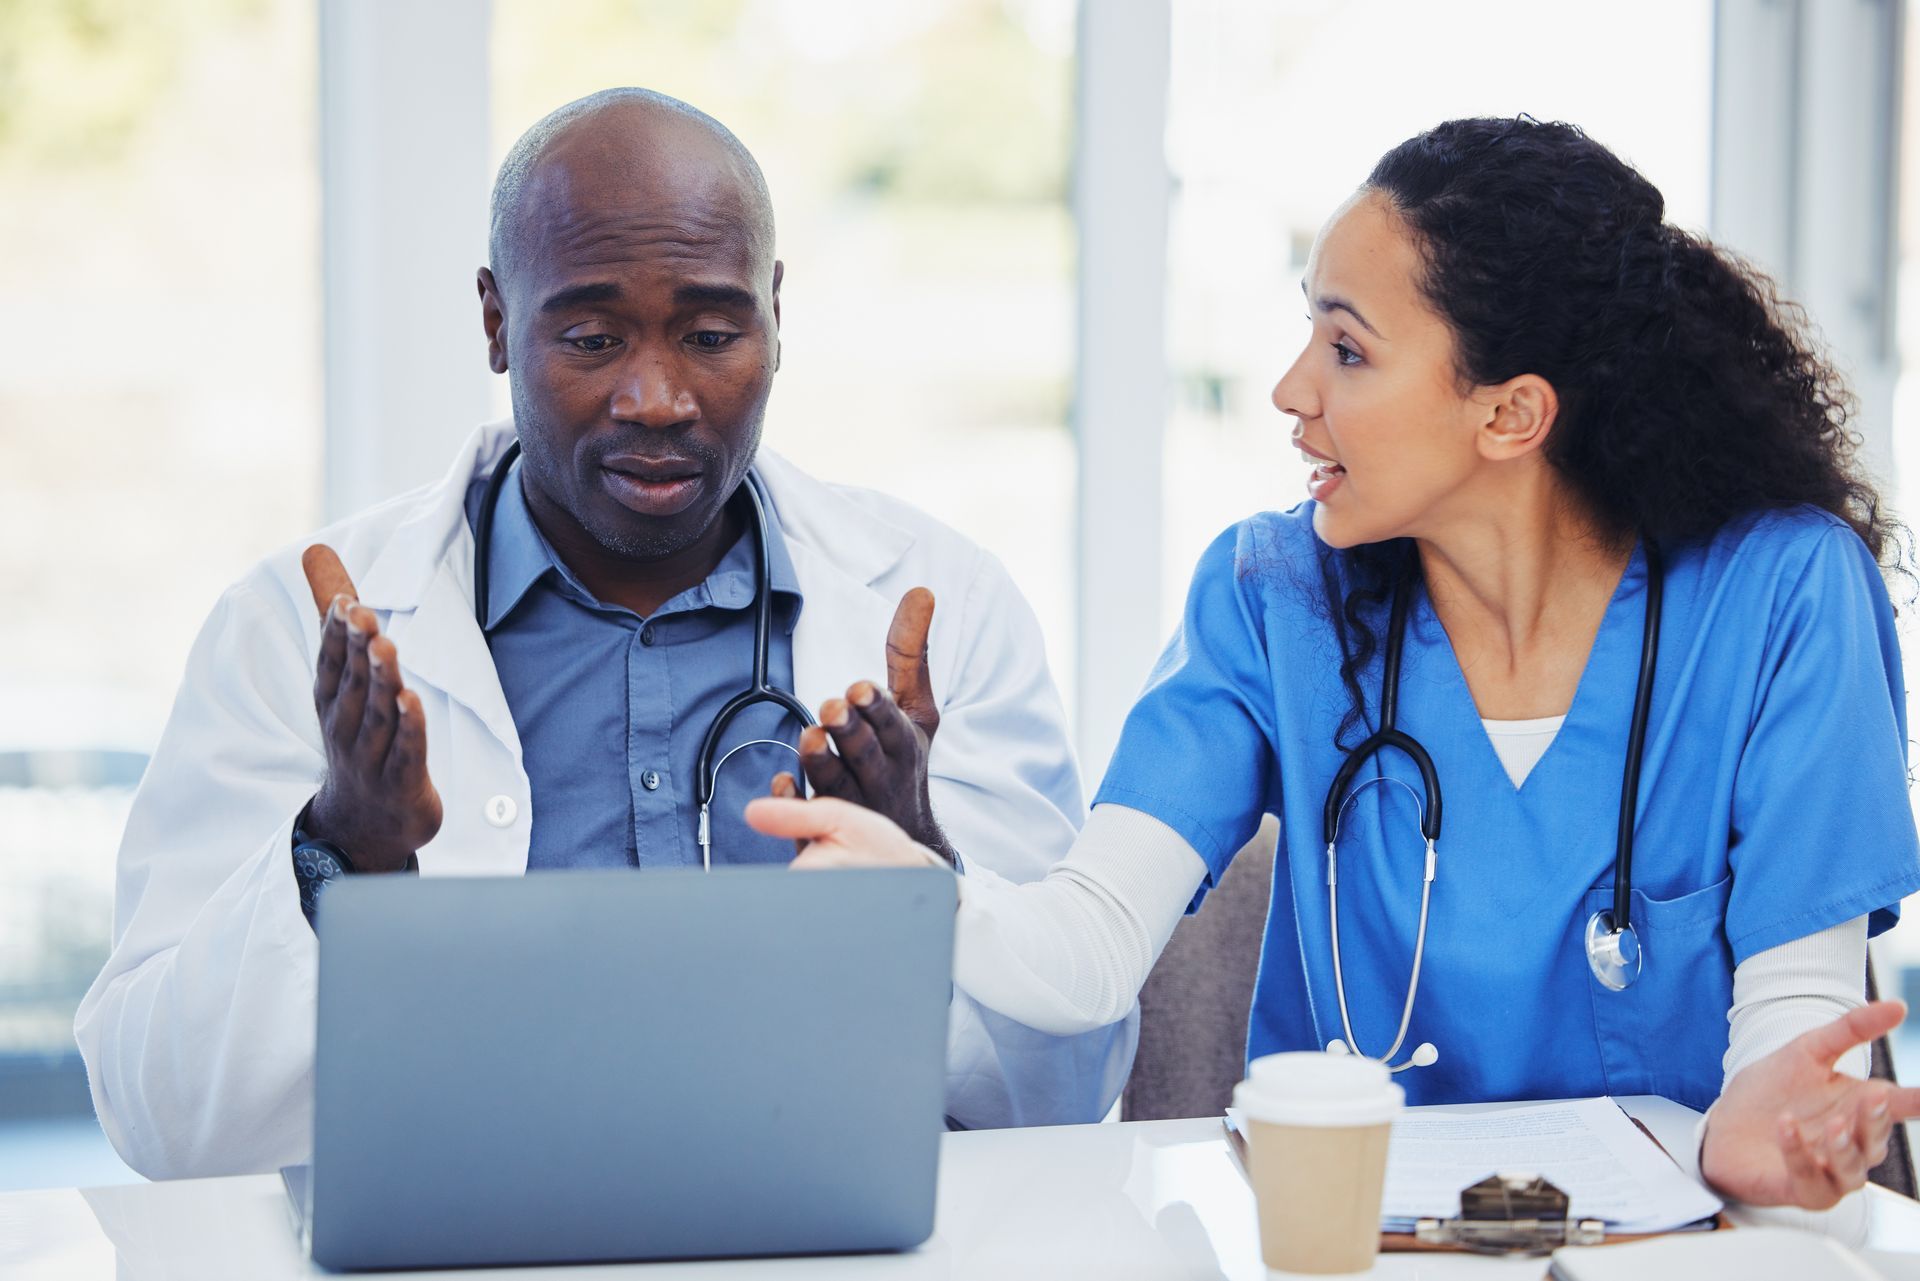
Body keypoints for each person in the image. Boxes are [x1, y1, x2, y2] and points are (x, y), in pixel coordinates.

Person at [748, 117, 1920, 1215]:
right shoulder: (1271, 599)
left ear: (1511, 414)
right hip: (1347, 1242)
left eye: (1348, 349)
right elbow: (1090, 954)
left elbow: (1799, 1027)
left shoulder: (1781, 598)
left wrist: (1766, 1131)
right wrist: (919, 884)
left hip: (1679, 1247)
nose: (1290, 391)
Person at [74, 88, 1133, 1181]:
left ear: (776, 316)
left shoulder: (937, 609)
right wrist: (342, 849)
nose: (658, 397)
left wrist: (924, 876)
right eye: (591, 337)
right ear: (495, 321)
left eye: (714, 334)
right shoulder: (287, 633)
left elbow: (1070, 1087)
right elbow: (163, 1122)